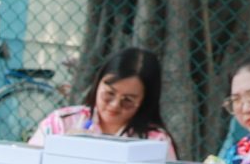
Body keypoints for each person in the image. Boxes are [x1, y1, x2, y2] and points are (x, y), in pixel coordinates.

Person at [26, 47, 173, 157]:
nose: (114, 105)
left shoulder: (156, 142)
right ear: (97, 85)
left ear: (144, 100)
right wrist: (62, 148)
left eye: (128, 100)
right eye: (109, 94)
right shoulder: (61, 123)